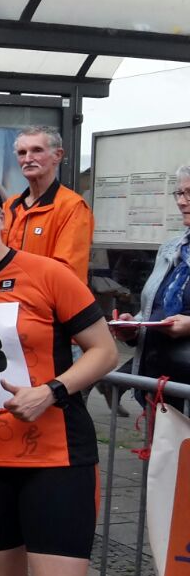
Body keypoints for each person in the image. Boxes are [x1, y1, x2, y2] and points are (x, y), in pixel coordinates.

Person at [0, 172, 117, 576]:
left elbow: (104, 350)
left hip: (55, 458)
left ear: (3, 218)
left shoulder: (47, 274)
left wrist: (52, 390)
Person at [113, 164, 190, 412]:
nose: (181, 201)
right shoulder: (172, 247)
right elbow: (154, 306)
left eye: (189, 193)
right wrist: (133, 326)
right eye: (178, 193)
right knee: (164, 450)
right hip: (159, 385)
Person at [2, 125, 93, 284]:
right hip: (7, 301)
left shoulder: (72, 207)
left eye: (37, 150)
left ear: (57, 155)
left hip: (46, 304)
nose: (28, 159)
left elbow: (68, 273)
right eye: (22, 153)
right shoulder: (10, 206)